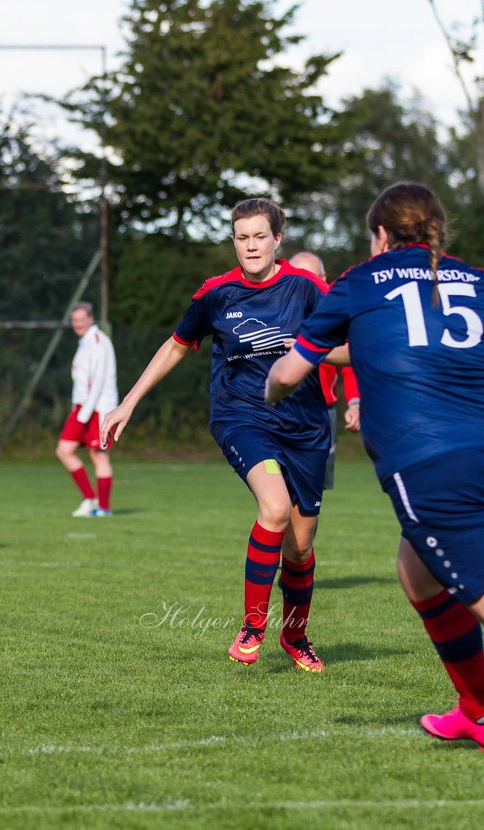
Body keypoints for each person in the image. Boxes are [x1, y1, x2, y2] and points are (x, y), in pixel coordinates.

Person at [266, 182, 484, 749]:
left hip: (430, 466)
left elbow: (290, 373)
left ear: (382, 235)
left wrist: (269, 389)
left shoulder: (361, 283)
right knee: (416, 572)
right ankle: (480, 712)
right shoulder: (482, 281)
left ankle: (483, 712)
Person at [100, 199, 334, 672]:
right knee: (272, 508)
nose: (251, 245)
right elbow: (177, 345)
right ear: (234, 241)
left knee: (300, 545)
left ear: (277, 240)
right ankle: (252, 626)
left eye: (259, 237)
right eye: (242, 237)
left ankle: (296, 636)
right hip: (242, 416)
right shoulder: (216, 293)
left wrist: (313, 352)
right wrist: (128, 401)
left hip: (306, 425)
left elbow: (351, 345)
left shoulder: (308, 288)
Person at [287, 251, 362, 489]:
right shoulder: (274, 311)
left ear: (324, 278)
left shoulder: (335, 316)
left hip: (320, 412)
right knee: (277, 492)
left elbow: (350, 361)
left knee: (311, 493)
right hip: (278, 409)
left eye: (311, 277)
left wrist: (354, 403)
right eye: (297, 277)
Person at [56, 302, 119, 517]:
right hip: (83, 407)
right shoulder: (84, 343)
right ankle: (90, 498)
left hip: (99, 408)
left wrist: (84, 414)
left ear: (90, 319)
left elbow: (99, 381)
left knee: (99, 456)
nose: (78, 324)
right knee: (64, 451)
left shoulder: (98, 342)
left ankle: (103, 508)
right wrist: (79, 409)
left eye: (82, 319)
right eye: (75, 320)